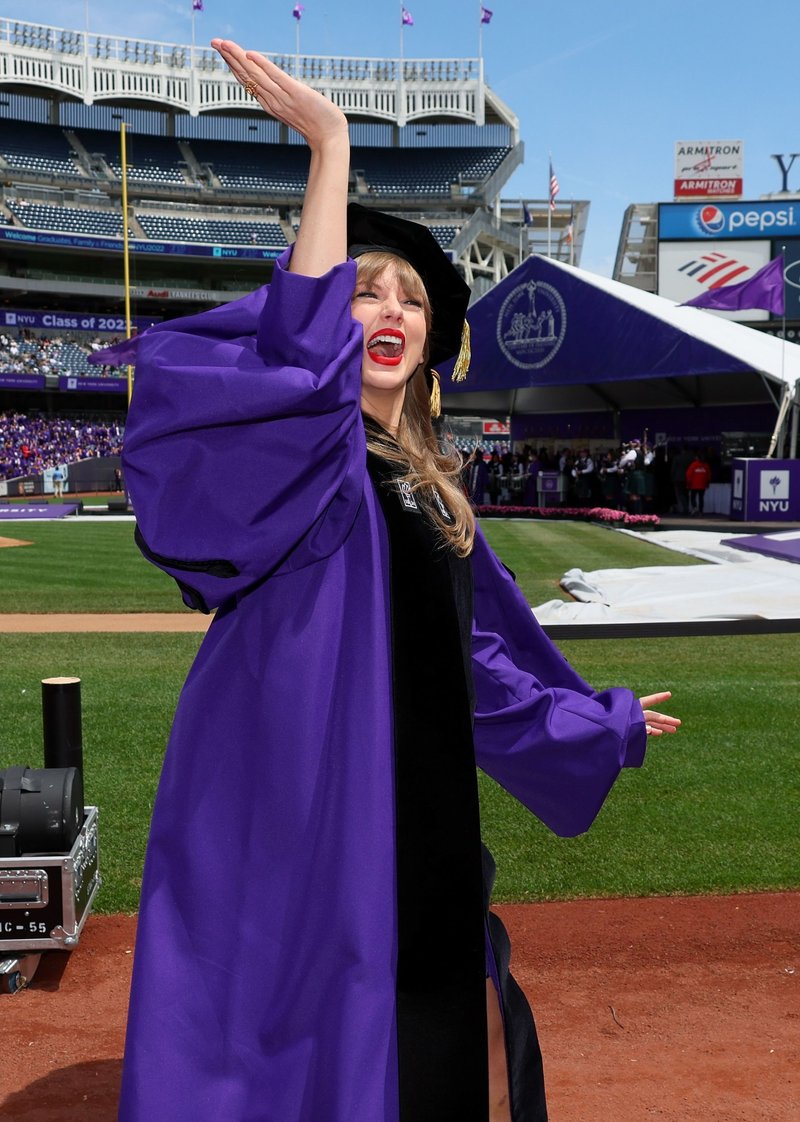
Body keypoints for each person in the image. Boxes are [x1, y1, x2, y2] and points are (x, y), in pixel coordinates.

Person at [100, 39, 680, 1122]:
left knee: (419, 1046)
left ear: (429, 346)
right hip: (299, 804)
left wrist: (598, 724)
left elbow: (473, 671)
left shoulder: (430, 497)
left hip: (413, 813)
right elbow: (290, 359)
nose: (389, 312)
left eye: (410, 301)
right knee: (291, 1046)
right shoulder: (307, 457)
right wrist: (332, 150)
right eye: (365, 294)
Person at [686, 449, 712, 515]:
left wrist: (688, 483)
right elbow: (709, 475)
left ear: (697, 457)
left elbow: (689, 474)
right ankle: (700, 511)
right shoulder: (706, 465)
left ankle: (694, 508)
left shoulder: (693, 465)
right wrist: (707, 483)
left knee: (693, 497)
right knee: (701, 498)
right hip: (702, 485)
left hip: (694, 485)